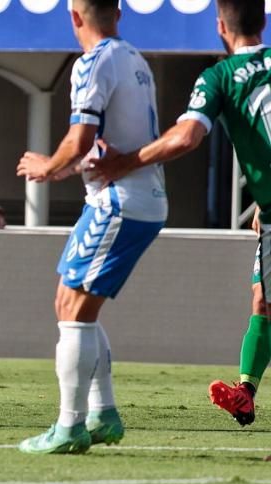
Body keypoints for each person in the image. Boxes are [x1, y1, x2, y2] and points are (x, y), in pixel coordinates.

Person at [89, 0, 270, 427]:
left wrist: (125, 162)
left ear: (220, 27)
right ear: (263, 21)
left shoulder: (219, 78)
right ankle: (245, 392)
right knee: (262, 299)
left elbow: (186, 137)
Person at [15, 0, 167, 454]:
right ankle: (103, 414)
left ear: (74, 17)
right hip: (141, 199)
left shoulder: (93, 61)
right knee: (74, 303)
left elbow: (81, 137)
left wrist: (47, 165)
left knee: (72, 309)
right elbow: (106, 140)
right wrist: (69, 167)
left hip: (118, 202)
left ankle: (69, 426)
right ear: (118, 14)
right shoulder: (136, 60)